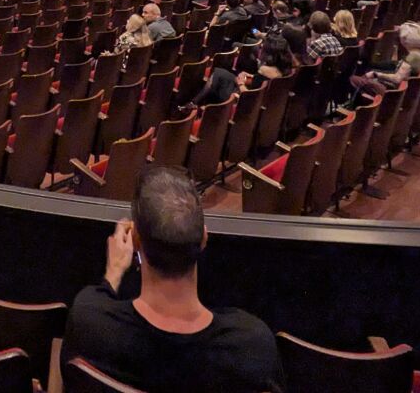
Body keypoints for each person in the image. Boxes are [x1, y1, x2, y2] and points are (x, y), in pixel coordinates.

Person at [61, 167, 284, 393]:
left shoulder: (88, 320)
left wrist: (114, 272)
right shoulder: (252, 344)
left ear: (135, 240)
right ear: (204, 238)